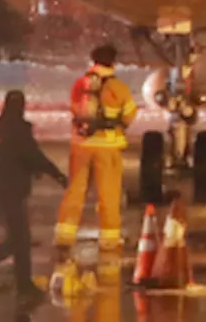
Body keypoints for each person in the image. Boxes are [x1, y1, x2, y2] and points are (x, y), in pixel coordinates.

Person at [0, 90, 65, 300]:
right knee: (18, 239)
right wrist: (57, 175)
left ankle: (23, 284)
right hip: (13, 190)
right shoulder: (18, 130)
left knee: (21, 238)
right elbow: (33, 156)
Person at [53, 45, 138, 257]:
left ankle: (64, 235)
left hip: (81, 145)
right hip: (107, 147)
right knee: (108, 194)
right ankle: (109, 239)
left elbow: (73, 108)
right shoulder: (118, 88)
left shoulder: (80, 84)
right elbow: (129, 115)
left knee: (75, 191)